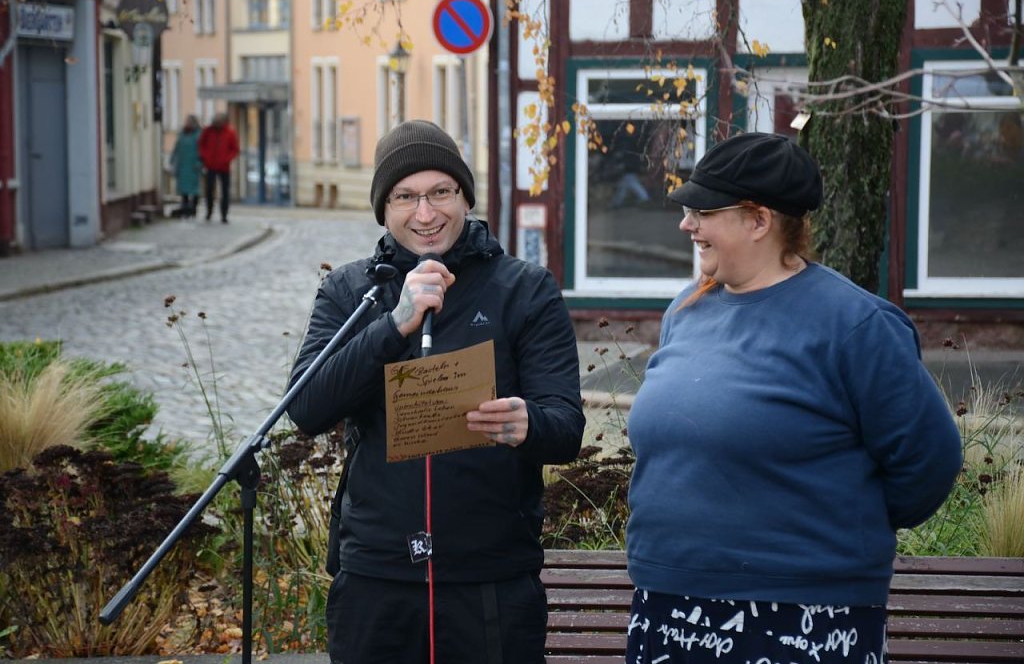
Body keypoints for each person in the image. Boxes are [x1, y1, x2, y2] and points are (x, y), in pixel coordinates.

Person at [624, 132, 963, 663]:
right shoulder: (686, 312)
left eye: (703, 212)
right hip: (668, 601)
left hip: (804, 612)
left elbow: (929, 461)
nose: (687, 225)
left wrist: (828, 527)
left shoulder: (856, 326)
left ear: (759, 220)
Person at [286, 119, 585, 664]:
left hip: (489, 576)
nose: (425, 214)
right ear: (384, 209)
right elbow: (306, 408)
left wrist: (529, 423)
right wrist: (393, 324)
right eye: (405, 197)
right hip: (377, 574)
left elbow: (566, 428)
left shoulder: (524, 289)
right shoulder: (350, 291)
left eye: (441, 192)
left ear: (465, 197)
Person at [198, 113, 240, 223]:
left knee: (225, 191)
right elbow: (201, 145)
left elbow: (235, 149)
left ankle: (224, 214)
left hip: (224, 167)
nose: (217, 122)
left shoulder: (230, 132)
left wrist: (227, 159)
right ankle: (209, 211)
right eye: (216, 120)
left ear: (224, 122)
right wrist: (205, 157)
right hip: (210, 165)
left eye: (219, 121)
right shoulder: (208, 131)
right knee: (209, 189)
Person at [169, 115, 202, 218]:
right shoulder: (182, 134)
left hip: (193, 166)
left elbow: (201, 150)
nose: (187, 123)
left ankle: (193, 209)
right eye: (186, 121)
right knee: (184, 190)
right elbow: (176, 148)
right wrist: (172, 160)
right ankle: (185, 209)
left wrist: (200, 162)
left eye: (189, 121)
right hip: (183, 165)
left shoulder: (198, 135)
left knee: (194, 189)